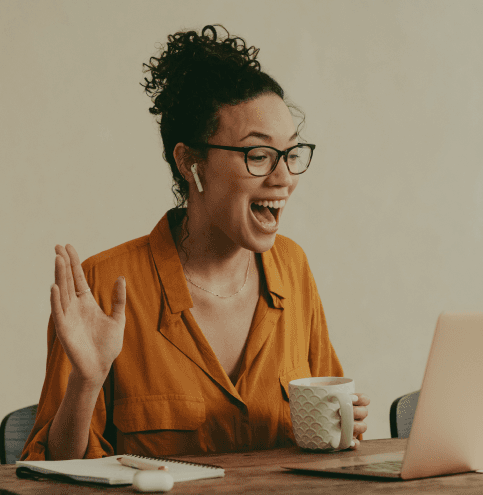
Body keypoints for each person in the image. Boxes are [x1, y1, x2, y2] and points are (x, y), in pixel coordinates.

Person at [20, 25, 369, 461]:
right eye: (258, 155)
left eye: (292, 154)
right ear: (189, 162)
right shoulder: (104, 284)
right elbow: (51, 477)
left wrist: (341, 428)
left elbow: (333, 447)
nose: (284, 178)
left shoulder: (292, 267)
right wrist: (86, 383)